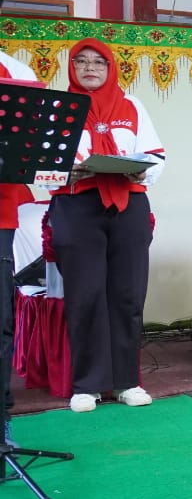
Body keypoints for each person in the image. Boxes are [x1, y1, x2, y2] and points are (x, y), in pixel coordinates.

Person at [48, 38, 166, 412]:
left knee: (128, 294)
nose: (90, 68)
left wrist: (138, 169)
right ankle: (87, 385)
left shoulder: (132, 105)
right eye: (81, 61)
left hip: (128, 204)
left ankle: (127, 381)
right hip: (76, 205)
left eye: (99, 62)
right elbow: (41, 165)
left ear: (111, 68)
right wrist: (68, 172)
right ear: (71, 68)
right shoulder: (57, 108)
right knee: (85, 295)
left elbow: (156, 157)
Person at [0, 5, 38, 441]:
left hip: (0, 214)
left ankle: (2, 420)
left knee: (1, 321)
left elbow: (33, 150)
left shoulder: (17, 74)